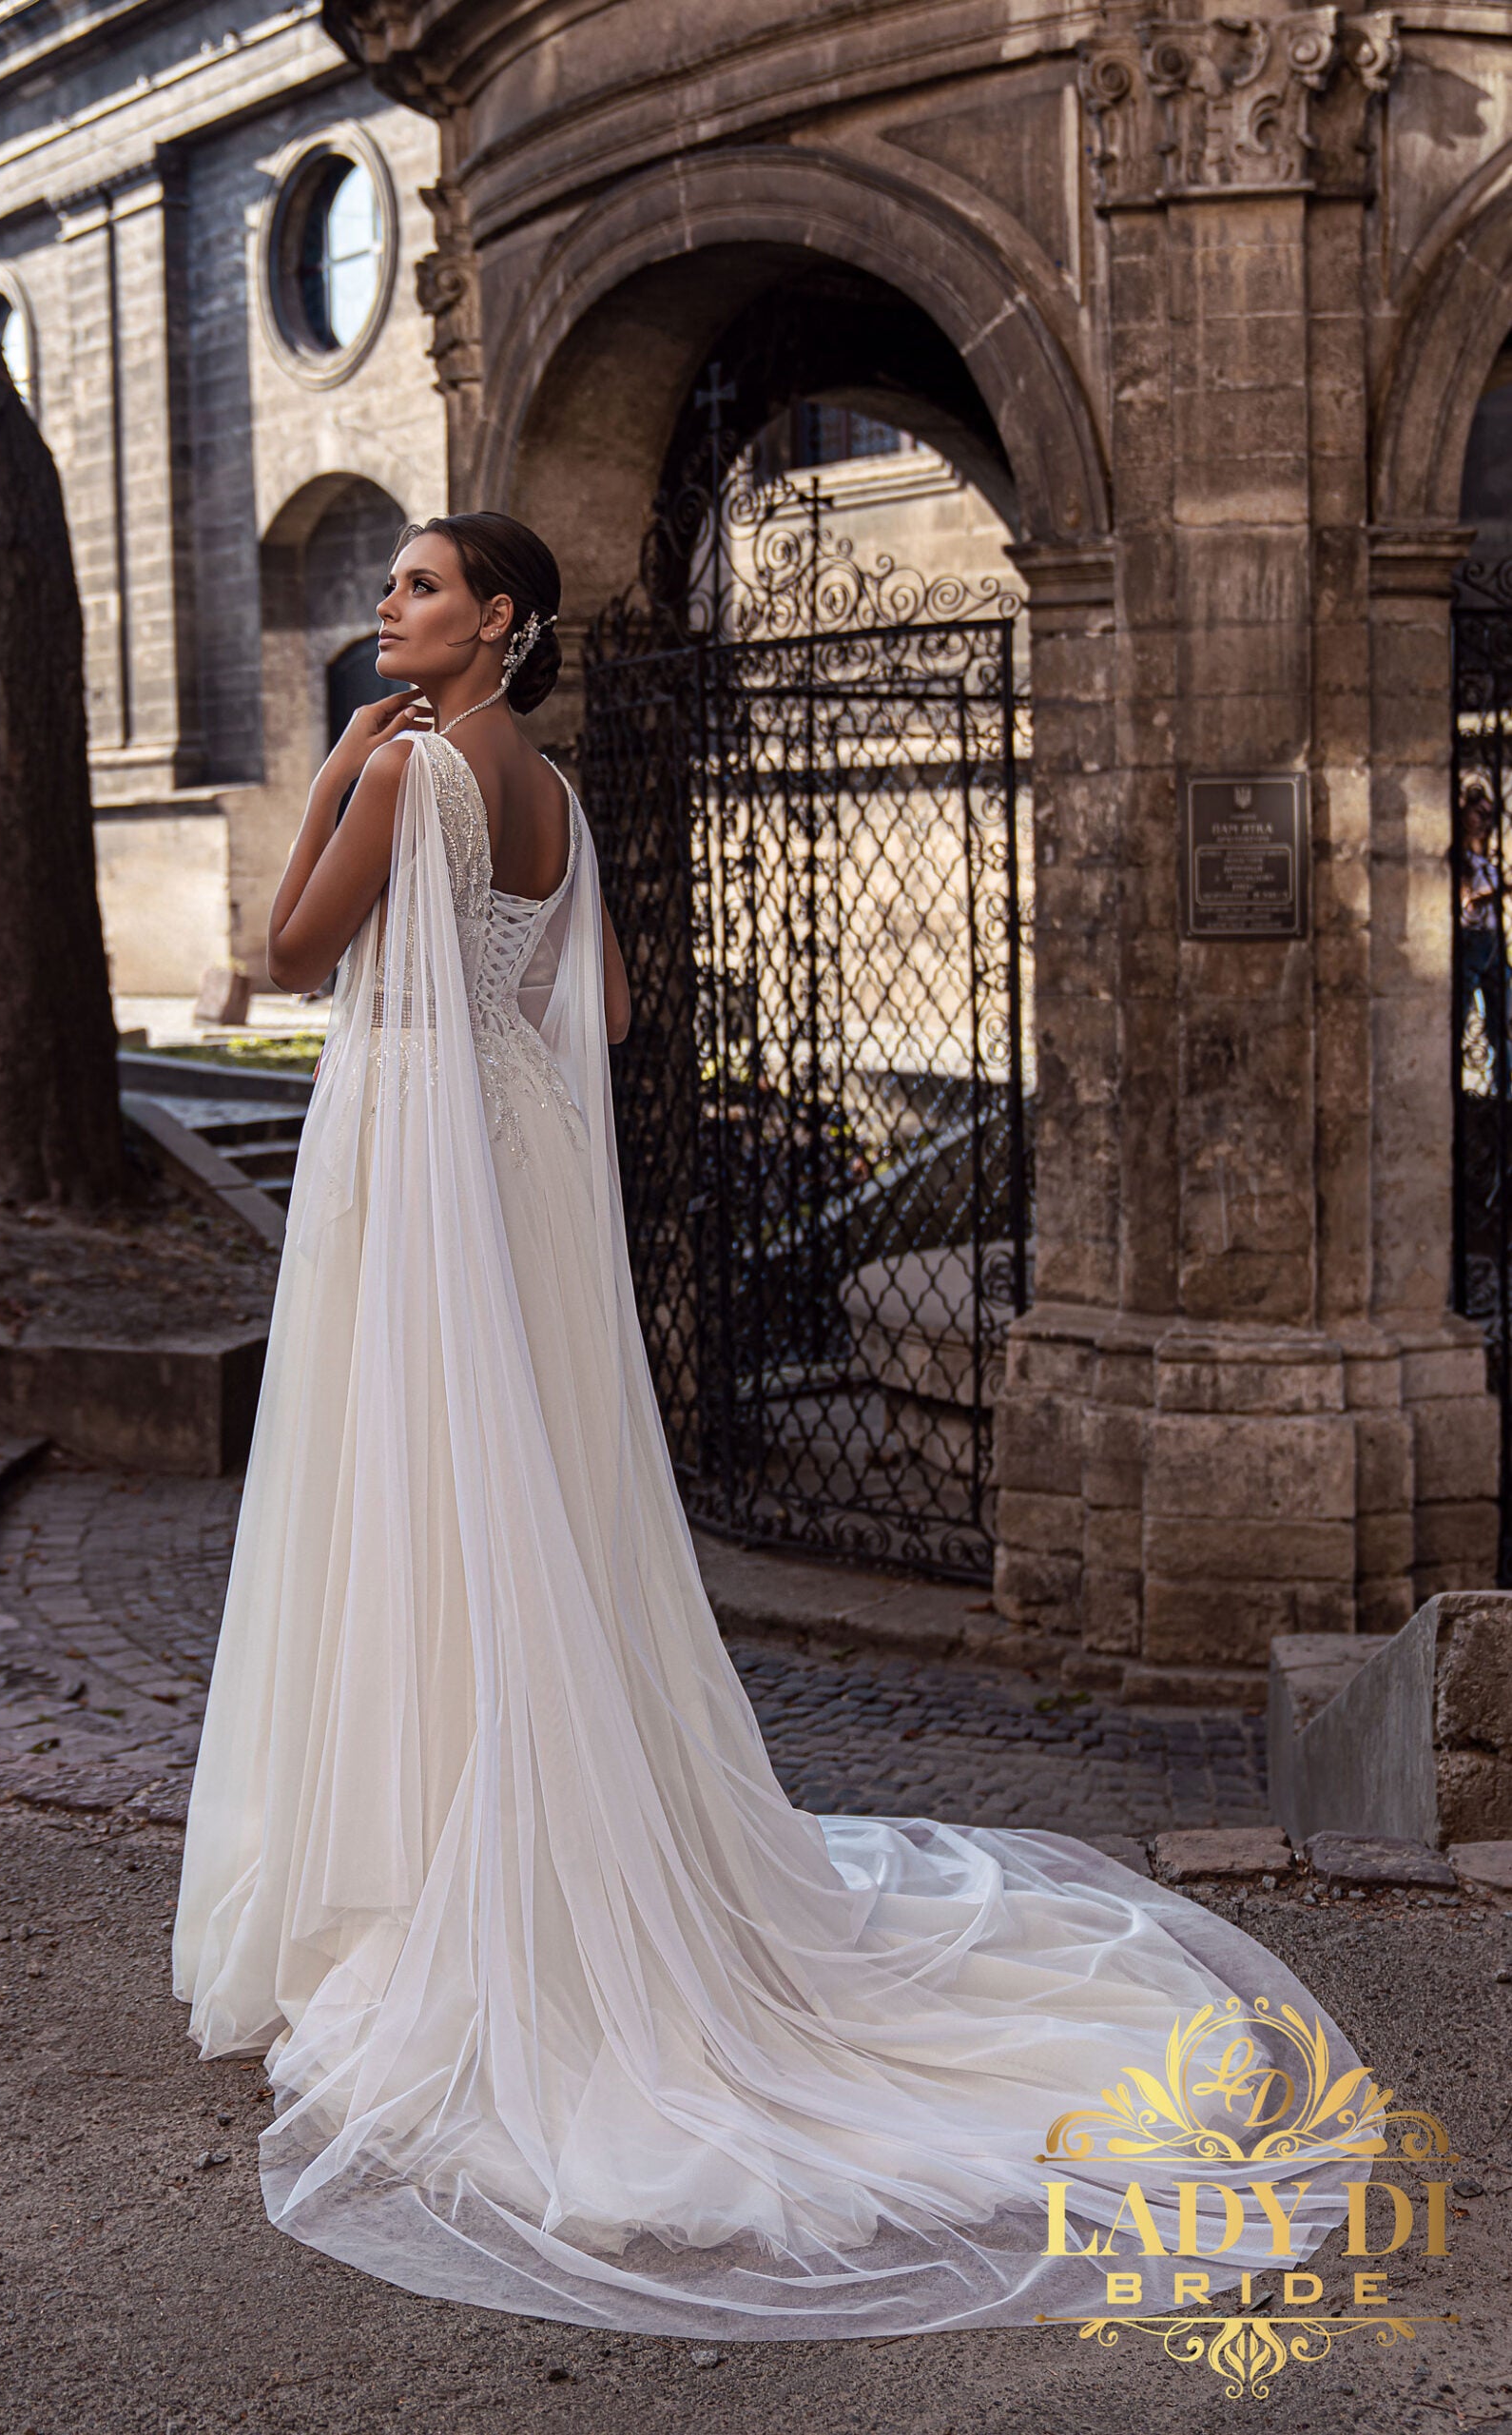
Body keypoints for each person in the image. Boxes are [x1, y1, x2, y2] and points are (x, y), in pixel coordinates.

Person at [173, 511, 1363, 2339]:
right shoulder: (548, 791)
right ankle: (483, 1845)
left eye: (416, 586)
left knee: (400, 1497)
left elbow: (288, 943)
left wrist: (346, 747)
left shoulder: (413, 766)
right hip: (516, 1176)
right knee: (528, 1501)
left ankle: (412, 1884)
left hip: (414, 1183)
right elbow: (616, 1003)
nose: (387, 608)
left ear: (499, 618)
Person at [1459, 783, 1509, 1099]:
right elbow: (1467, 902)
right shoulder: (1459, 858)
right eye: (1480, 814)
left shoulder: (1488, 861)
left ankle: (1503, 1093)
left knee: (1501, 1024)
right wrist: (1496, 893)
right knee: (1459, 1018)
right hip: (1470, 942)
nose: (1485, 821)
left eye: (1490, 815)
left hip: (1492, 942)